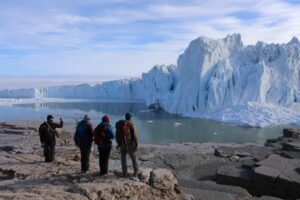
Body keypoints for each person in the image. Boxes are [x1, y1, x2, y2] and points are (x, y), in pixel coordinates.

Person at [115, 112, 139, 177]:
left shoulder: (119, 124)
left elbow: (116, 135)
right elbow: (135, 136)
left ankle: (124, 173)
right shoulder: (131, 124)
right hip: (129, 144)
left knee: (123, 158)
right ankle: (136, 172)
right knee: (133, 158)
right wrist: (136, 145)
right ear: (130, 117)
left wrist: (118, 143)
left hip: (122, 143)